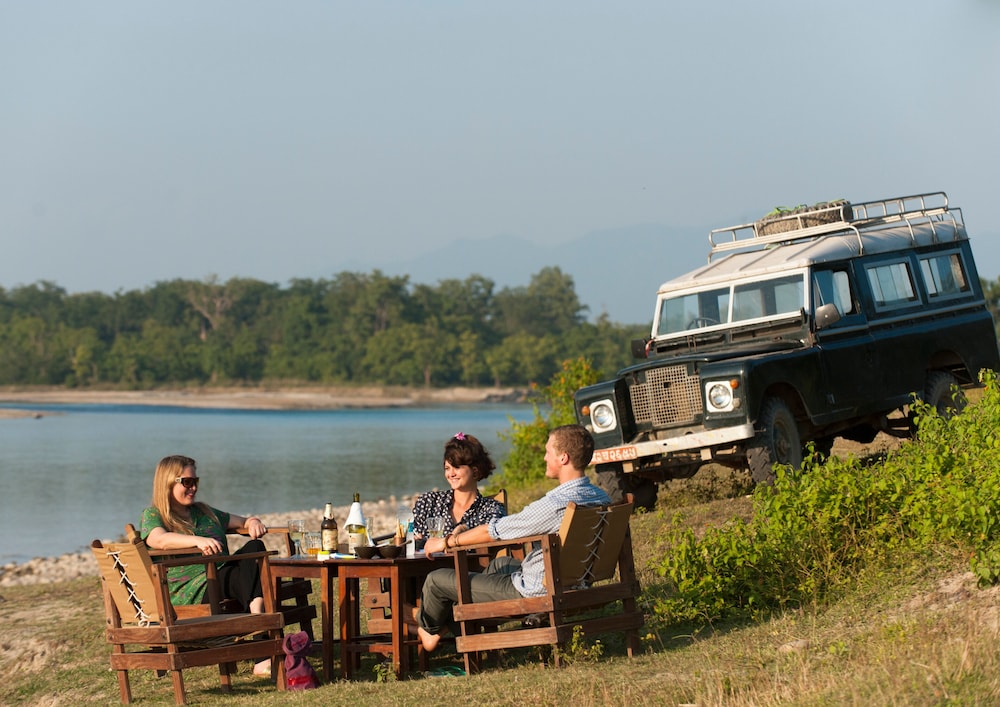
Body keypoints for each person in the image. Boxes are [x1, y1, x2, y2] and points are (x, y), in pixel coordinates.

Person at [416, 424, 610, 653]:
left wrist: (446, 542)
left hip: (536, 588)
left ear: (563, 458)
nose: (544, 457)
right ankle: (457, 616)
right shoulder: (601, 497)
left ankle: (430, 629)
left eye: (548, 452)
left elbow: (493, 531)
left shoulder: (556, 505)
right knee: (499, 564)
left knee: (436, 580)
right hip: (574, 579)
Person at [140, 454, 273, 675]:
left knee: (255, 547)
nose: (193, 488)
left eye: (196, 481)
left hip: (222, 576)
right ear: (168, 483)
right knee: (248, 572)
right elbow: (158, 539)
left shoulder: (203, 511)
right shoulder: (154, 514)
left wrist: (254, 522)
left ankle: (258, 622)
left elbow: (243, 521)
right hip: (196, 589)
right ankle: (263, 637)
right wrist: (197, 541)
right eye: (187, 482)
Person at [411, 432, 506, 540]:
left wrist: (460, 535)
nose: (451, 474)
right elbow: (409, 537)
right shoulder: (429, 503)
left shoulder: (490, 509)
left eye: (457, 467)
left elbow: (494, 533)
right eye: (447, 468)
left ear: (475, 471)